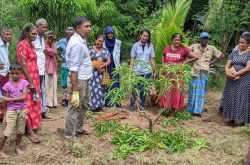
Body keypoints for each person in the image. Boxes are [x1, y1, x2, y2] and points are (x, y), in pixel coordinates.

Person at [64, 16, 92, 139]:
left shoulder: (81, 40)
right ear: (78, 28)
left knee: (85, 104)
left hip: (84, 79)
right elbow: (73, 70)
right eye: (86, 26)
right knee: (74, 107)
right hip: (78, 81)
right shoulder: (77, 44)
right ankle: (69, 136)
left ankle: (78, 129)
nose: (89, 29)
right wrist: (75, 92)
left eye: (90, 26)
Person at [159, 33, 197, 114]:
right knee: (166, 91)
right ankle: (165, 109)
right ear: (172, 40)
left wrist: (185, 62)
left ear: (181, 41)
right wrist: (163, 64)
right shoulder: (167, 48)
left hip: (178, 75)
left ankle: (173, 111)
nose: (177, 41)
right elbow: (162, 54)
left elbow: (196, 57)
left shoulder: (184, 49)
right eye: (175, 40)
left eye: (179, 40)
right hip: (167, 74)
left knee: (176, 92)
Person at [187, 32, 224, 116]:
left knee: (201, 92)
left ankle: (198, 111)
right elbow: (185, 52)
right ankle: (190, 110)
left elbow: (221, 55)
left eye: (206, 38)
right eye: (203, 38)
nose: (205, 40)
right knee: (192, 91)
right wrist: (190, 62)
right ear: (200, 39)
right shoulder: (194, 46)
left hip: (204, 73)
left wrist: (210, 63)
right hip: (194, 71)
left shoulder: (211, 48)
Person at [17, 24, 42, 143]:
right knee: (26, 103)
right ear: (26, 33)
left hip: (34, 78)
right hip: (26, 79)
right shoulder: (22, 45)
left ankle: (33, 126)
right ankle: (30, 131)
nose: (35, 36)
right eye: (33, 33)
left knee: (34, 101)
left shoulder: (31, 45)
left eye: (36, 34)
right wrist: (30, 82)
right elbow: (23, 64)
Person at [0, 63, 29, 157]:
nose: (15, 75)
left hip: (22, 110)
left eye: (17, 73)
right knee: (8, 131)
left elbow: (23, 97)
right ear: (10, 73)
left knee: (20, 131)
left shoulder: (24, 83)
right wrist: (4, 113)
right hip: (11, 111)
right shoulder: (7, 85)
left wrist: (9, 100)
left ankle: (17, 147)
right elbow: (5, 101)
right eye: (12, 73)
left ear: (20, 72)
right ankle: (0, 149)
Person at [222, 35, 250, 125]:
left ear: (248, 43)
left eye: (243, 42)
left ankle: (241, 120)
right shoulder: (234, 53)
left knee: (241, 98)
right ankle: (231, 119)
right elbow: (227, 65)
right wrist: (227, 72)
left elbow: (248, 68)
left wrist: (237, 74)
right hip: (231, 79)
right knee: (231, 97)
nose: (240, 44)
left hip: (243, 80)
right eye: (239, 42)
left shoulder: (249, 53)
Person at [129, 29, 156, 111]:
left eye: (147, 36)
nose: (145, 37)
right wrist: (131, 70)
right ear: (140, 35)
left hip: (146, 71)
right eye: (144, 35)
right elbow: (132, 59)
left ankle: (141, 106)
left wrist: (154, 70)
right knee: (134, 89)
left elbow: (152, 59)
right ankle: (132, 106)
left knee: (143, 90)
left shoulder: (151, 46)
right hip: (136, 71)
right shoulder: (135, 45)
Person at [33, 18, 50, 119]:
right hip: (35, 68)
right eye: (43, 27)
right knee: (37, 90)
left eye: (45, 27)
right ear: (37, 26)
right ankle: (37, 112)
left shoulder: (42, 38)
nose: (44, 29)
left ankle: (43, 111)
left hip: (41, 68)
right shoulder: (33, 37)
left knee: (42, 89)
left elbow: (42, 52)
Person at [89, 35, 110, 111]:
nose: (100, 42)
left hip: (102, 73)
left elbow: (108, 61)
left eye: (101, 41)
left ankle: (100, 106)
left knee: (101, 89)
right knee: (93, 88)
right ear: (95, 40)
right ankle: (93, 106)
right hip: (93, 73)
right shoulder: (90, 49)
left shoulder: (105, 50)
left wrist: (102, 66)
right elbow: (87, 60)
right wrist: (96, 66)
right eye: (99, 41)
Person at [56, 27, 75, 107]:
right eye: (70, 35)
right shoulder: (62, 41)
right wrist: (58, 57)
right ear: (67, 35)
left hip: (74, 66)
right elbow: (53, 48)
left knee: (72, 83)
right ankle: (64, 99)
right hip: (65, 65)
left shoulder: (76, 42)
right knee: (64, 83)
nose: (71, 36)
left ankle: (70, 99)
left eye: (73, 35)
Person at [103, 26, 122, 107]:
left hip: (115, 65)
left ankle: (116, 102)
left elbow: (120, 54)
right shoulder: (103, 42)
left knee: (115, 83)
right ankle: (107, 102)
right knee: (106, 83)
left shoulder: (118, 42)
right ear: (106, 34)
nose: (110, 35)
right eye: (108, 33)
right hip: (106, 66)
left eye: (111, 33)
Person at [0, 27, 12, 120]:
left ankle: (3, 114)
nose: (9, 36)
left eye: (10, 34)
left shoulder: (7, 44)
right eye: (7, 34)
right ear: (1, 34)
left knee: (5, 93)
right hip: (0, 72)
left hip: (5, 72)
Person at [44, 31, 57, 108]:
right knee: (48, 86)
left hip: (53, 68)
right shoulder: (45, 47)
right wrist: (54, 43)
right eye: (48, 38)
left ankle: (54, 103)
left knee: (53, 86)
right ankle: (48, 103)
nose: (50, 39)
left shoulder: (50, 45)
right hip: (47, 68)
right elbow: (54, 51)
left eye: (51, 38)